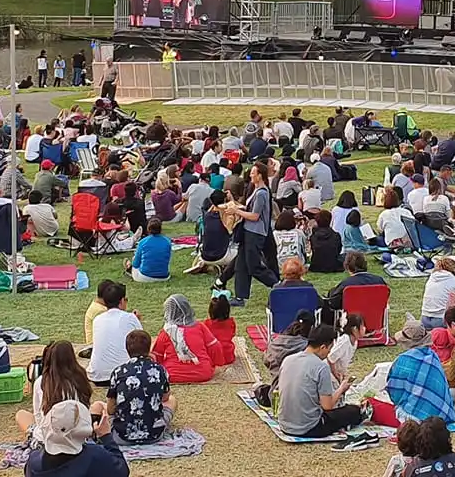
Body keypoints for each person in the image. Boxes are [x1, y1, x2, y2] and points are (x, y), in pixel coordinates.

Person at [276, 324, 366, 438]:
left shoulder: (288, 360)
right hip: (309, 427)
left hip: (285, 425)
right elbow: (327, 406)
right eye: (330, 348)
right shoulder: (321, 367)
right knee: (353, 411)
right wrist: (342, 389)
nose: (329, 353)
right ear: (323, 347)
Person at [102, 329, 174, 445]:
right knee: (172, 400)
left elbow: (110, 409)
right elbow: (165, 398)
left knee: (99, 406)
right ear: (148, 348)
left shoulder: (118, 371)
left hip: (121, 436)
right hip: (154, 435)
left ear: (127, 349)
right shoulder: (160, 369)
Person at [17, 341, 94, 446]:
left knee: (21, 415)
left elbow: (38, 415)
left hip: (49, 438)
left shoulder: (42, 381)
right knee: (98, 405)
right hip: (79, 435)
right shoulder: (81, 377)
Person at [25, 399, 128, 477]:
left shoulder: (33, 461)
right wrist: (106, 437)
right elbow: (121, 471)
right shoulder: (94, 457)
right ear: (83, 430)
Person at [232, 162, 279, 306]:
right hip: (248, 231)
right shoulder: (255, 190)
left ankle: (277, 285)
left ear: (260, 175)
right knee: (241, 265)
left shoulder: (262, 193)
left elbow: (255, 216)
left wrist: (237, 211)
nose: (251, 175)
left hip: (255, 232)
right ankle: (240, 296)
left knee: (253, 266)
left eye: (253, 173)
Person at [151, 294, 224, 380]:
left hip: (172, 374)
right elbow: (215, 347)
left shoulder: (166, 331)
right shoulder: (200, 326)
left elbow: (156, 355)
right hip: (203, 373)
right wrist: (219, 364)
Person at [86, 281, 142, 386]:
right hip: (123, 376)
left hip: (98, 377)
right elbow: (142, 343)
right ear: (121, 301)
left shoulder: (97, 319)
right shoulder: (130, 317)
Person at [420, 258, 455, 329]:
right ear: (454, 269)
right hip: (441, 319)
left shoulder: (431, 278)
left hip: (424, 318)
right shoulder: (454, 282)